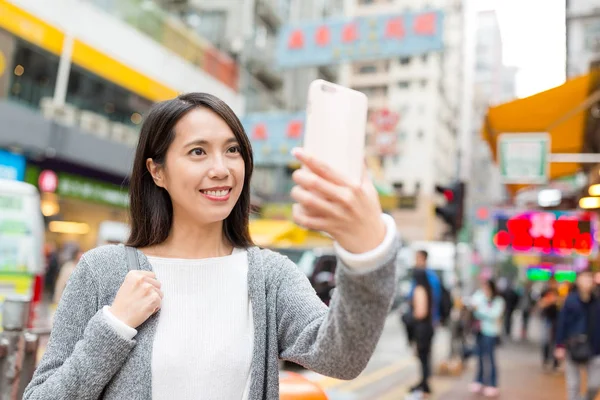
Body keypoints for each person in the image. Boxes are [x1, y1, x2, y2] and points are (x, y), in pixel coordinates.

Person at [24, 93, 399, 399]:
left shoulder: (269, 276)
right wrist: (114, 327)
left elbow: (342, 358)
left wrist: (366, 251)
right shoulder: (101, 272)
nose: (221, 168)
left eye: (232, 150)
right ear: (157, 171)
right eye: (198, 152)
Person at [555, 270, 600, 400]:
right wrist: (559, 345)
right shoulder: (570, 300)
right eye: (584, 278)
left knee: (594, 384)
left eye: (589, 278)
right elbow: (562, 323)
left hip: (595, 348)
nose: (587, 281)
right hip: (573, 346)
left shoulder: (597, 301)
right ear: (578, 281)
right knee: (573, 385)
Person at [469, 279, 505, 398]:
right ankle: (479, 381)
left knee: (490, 358)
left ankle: (493, 384)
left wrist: (479, 310)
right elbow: (472, 305)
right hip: (479, 331)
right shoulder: (480, 296)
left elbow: (494, 315)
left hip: (491, 333)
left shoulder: (498, 301)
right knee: (479, 357)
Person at [407, 269, 435, 398]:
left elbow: (420, 312)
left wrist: (410, 315)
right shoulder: (428, 288)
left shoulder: (419, 289)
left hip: (421, 329)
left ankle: (424, 385)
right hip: (428, 327)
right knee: (426, 357)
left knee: (423, 357)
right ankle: (424, 383)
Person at [538, 277, 560, 371]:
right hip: (547, 319)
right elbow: (540, 304)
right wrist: (549, 301)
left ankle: (555, 362)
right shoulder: (545, 292)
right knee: (546, 340)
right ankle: (546, 359)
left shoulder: (559, 292)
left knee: (555, 341)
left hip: (557, 319)